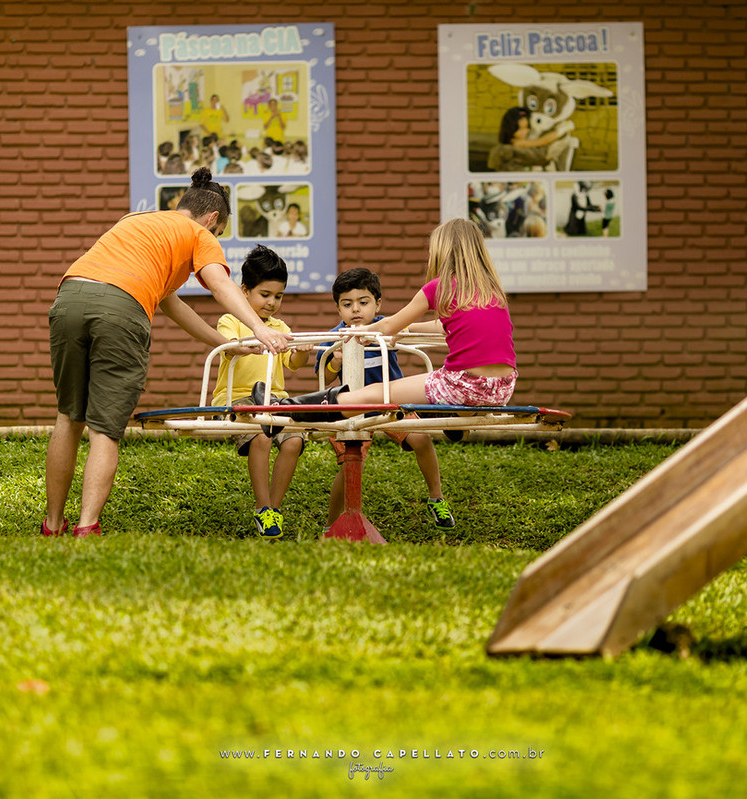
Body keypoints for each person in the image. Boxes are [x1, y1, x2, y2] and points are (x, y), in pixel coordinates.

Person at [42, 168, 290, 538]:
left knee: (68, 418)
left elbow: (172, 305)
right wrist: (259, 327)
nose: (215, 237)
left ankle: (51, 525)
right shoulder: (197, 234)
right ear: (212, 219)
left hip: (70, 295)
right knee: (105, 430)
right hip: (120, 309)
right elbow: (220, 284)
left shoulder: (138, 220)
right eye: (219, 232)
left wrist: (223, 343)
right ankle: (86, 527)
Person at [253, 217, 516, 436]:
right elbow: (446, 326)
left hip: (463, 384)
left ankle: (282, 409)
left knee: (375, 394)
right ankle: (444, 408)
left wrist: (359, 332)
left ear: (442, 251)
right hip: (502, 387)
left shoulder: (440, 287)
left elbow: (389, 323)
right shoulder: (491, 291)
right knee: (415, 387)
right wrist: (410, 330)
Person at [313, 268, 454, 530]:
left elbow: (407, 334)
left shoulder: (386, 329)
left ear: (377, 304)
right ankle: (332, 524)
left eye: (363, 302)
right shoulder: (337, 336)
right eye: (347, 304)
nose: (355, 310)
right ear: (338, 308)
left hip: (390, 403)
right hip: (352, 410)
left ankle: (437, 497)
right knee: (349, 463)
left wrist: (399, 335)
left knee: (421, 439)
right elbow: (325, 375)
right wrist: (335, 359)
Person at [211, 245, 312, 540]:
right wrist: (250, 343)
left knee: (293, 441)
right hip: (238, 398)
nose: (271, 303)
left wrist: (302, 352)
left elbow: (292, 363)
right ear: (244, 291)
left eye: (278, 296)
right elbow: (230, 346)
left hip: (273, 397)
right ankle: (262, 506)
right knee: (261, 434)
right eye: (264, 295)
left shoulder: (280, 326)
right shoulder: (231, 320)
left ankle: (274, 509)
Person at [486, 107, 571, 172]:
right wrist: (560, 131)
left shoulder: (509, 145)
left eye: (527, 128)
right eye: (520, 129)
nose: (525, 132)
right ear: (510, 129)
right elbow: (540, 144)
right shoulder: (515, 144)